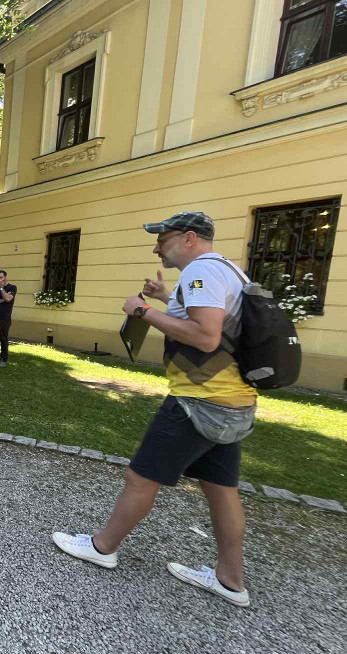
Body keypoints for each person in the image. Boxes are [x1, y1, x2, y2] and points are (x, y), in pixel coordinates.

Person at [53, 212, 256, 608]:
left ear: (190, 238)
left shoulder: (201, 272)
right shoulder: (227, 271)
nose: (156, 246)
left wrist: (142, 311)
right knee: (221, 490)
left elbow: (206, 336)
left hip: (200, 402)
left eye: (162, 239)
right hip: (234, 401)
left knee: (139, 477)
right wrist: (166, 299)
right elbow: (212, 322)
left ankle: (103, 546)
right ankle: (232, 580)